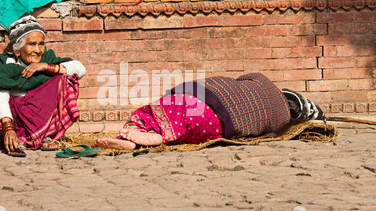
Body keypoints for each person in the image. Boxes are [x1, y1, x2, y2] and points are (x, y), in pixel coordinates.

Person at [92, 73, 325, 150]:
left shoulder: (261, 80)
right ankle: (161, 137)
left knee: (161, 109)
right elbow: (260, 135)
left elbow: (239, 80)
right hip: (217, 121)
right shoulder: (280, 120)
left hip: (202, 94)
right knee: (189, 128)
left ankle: (137, 130)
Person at [0, 14, 86, 155]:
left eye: (41, 44)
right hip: (10, 118)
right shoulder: (5, 66)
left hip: (37, 115)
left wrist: (46, 67)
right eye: (32, 44)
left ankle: (47, 135)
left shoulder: (47, 59)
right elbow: (2, 98)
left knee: (64, 80)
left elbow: (80, 69)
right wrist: (9, 129)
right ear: (17, 49)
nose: (38, 50)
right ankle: (9, 138)